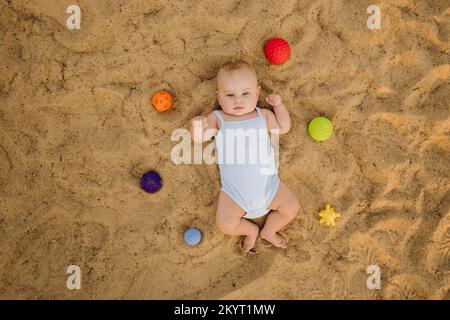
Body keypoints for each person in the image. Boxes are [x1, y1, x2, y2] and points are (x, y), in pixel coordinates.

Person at [189, 60, 300, 253]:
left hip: (269, 187)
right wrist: (197, 126)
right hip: (235, 194)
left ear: (257, 93)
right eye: (230, 95)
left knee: (291, 207)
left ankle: (269, 230)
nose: (238, 100)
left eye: (245, 94)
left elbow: (283, 128)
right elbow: (199, 139)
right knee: (225, 224)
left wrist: (279, 106)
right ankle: (250, 231)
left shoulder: (262, 115)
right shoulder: (218, 119)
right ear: (218, 96)